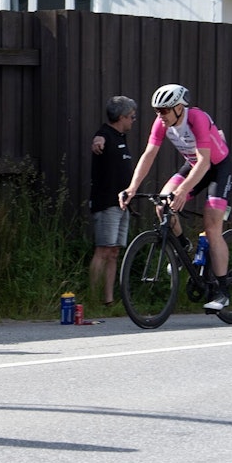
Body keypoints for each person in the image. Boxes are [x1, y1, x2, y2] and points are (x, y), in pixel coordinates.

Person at [119, 83, 232, 310]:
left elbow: (205, 162)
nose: (160, 116)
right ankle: (183, 247)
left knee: (212, 227)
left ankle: (222, 291)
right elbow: (149, 155)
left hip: (217, 168)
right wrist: (131, 188)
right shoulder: (161, 124)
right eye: (157, 111)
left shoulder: (197, 119)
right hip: (193, 166)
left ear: (179, 107)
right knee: (162, 204)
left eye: (165, 110)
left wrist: (182, 190)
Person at [88, 95, 137, 307]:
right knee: (103, 249)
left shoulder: (121, 137)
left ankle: (108, 299)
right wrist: (97, 142)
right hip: (107, 203)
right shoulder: (104, 134)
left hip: (122, 204)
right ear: (121, 117)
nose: (133, 121)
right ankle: (92, 297)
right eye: (132, 117)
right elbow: (98, 141)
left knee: (115, 251)